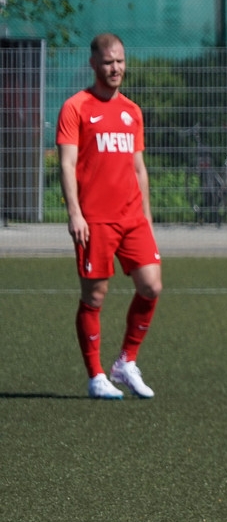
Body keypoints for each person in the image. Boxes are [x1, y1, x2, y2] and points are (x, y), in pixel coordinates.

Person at [57, 32, 160, 400]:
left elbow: (138, 168)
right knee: (95, 295)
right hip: (94, 219)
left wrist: (146, 218)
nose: (115, 68)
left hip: (132, 217)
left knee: (151, 286)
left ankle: (126, 362)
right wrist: (75, 213)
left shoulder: (132, 111)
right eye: (107, 62)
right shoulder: (76, 107)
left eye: (119, 61)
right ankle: (96, 375)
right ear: (93, 64)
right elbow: (66, 165)